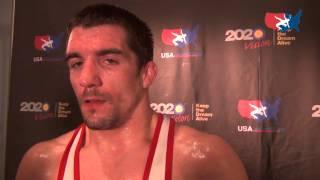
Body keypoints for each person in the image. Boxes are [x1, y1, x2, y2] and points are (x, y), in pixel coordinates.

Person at [16, 3, 248, 180]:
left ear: (147, 74)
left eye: (108, 60)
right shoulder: (42, 164)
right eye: (76, 64)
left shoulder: (204, 159)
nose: (87, 79)